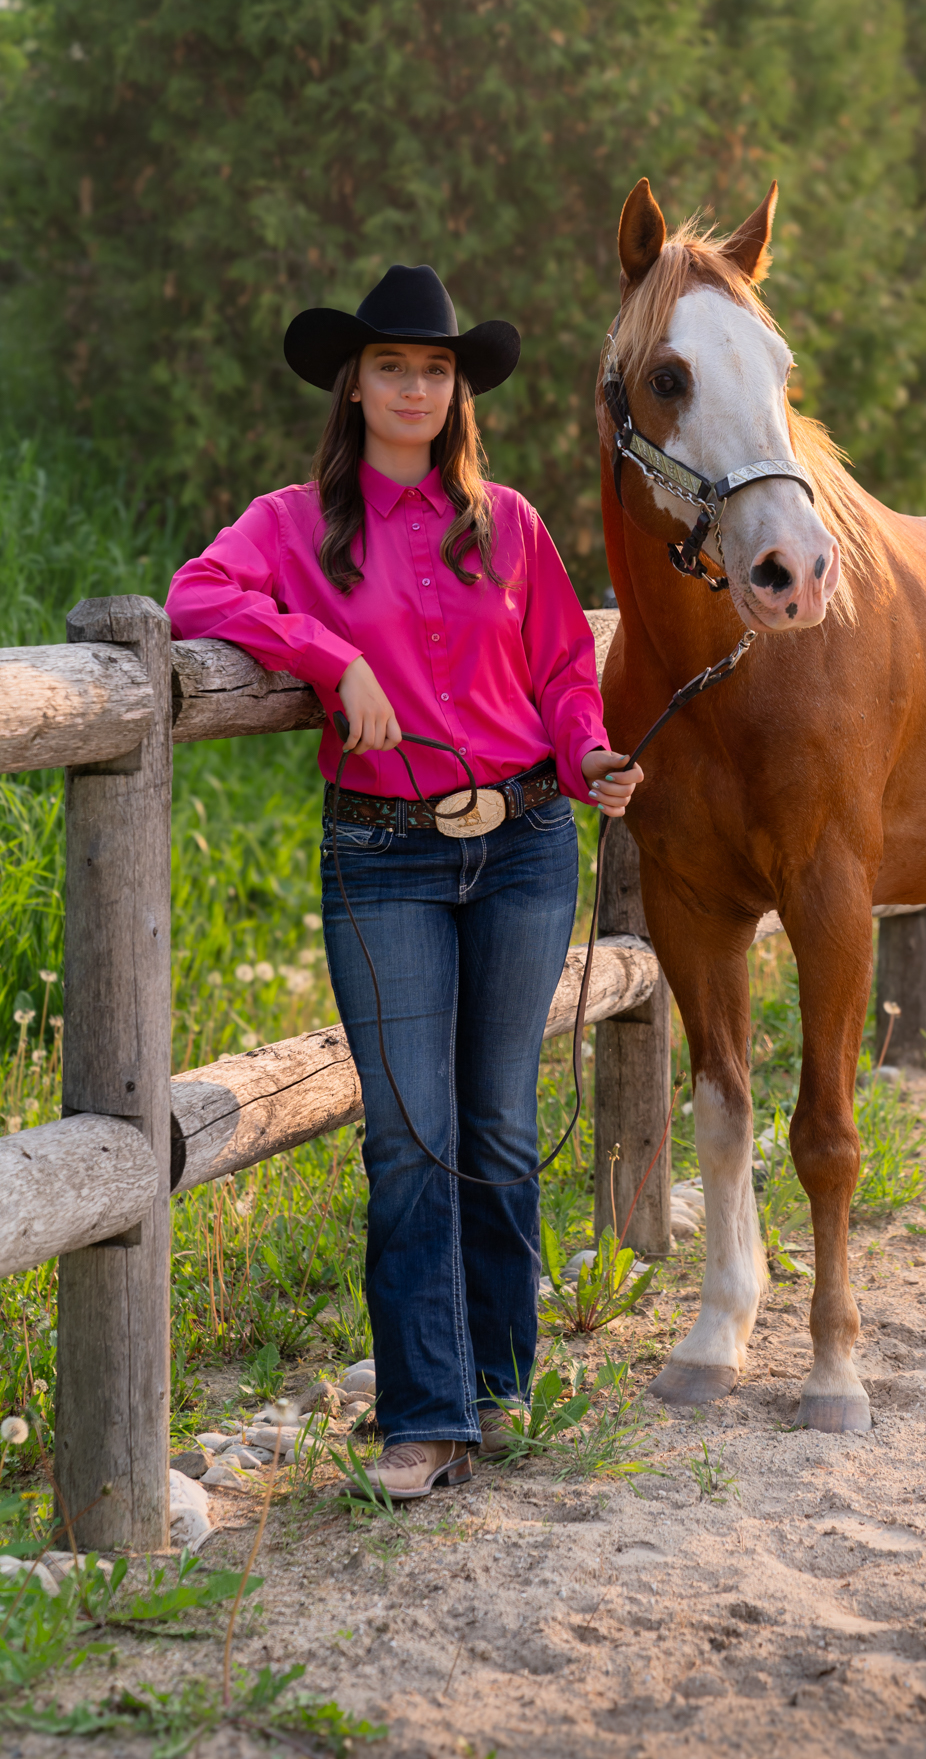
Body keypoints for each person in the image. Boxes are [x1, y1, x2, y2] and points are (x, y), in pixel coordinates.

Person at [166, 263, 641, 1500]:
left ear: (458, 391)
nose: (415, 387)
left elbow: (558, 673)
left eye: (435, 370)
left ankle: (500, 1383)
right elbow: (193, 594)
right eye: (392, 366)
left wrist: (588, 750)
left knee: (497, 1122)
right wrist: (328, 657)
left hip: (530, 842)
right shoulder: (290, 521)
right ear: (356, 383)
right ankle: (423, 1417)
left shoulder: (511, 523)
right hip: (385, 856)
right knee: (408, 1135)